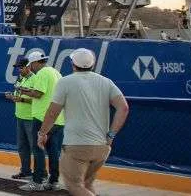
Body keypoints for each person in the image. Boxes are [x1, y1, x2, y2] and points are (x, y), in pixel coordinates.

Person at [37, 48, 129, 196]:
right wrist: (111, 135)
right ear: (93, 64)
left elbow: (53, 112)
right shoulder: (106, 82)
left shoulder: (65, 82)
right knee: (87, 184)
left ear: (73, 63)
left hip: (76, 146)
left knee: (75, 186)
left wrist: (42, 133)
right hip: (101, 147)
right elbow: (123, 108)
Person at [20, 50, 66, 191]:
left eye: (30, 65)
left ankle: (37, 181)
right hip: (58, 119)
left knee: (38, 149)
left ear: (34, 63)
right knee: (53, 151)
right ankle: (53, 181)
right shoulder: (56, 72)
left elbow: (38, 94)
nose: (31, 68)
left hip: (42, 118)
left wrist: (24, 91)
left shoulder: (42, 73)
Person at [6, 59, 35, 180]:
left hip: (31, 118)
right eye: (18, 68)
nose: (19, 70)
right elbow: (18, 95)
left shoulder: (35, 79)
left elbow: (38, 99)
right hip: (20, 117)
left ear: (28, 67)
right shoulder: (20, 78)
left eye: (21, 67)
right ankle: (25, 171)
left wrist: (22, 100)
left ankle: (41, 173)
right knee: (22, 147)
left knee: (35, 147)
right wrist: (13, 97)